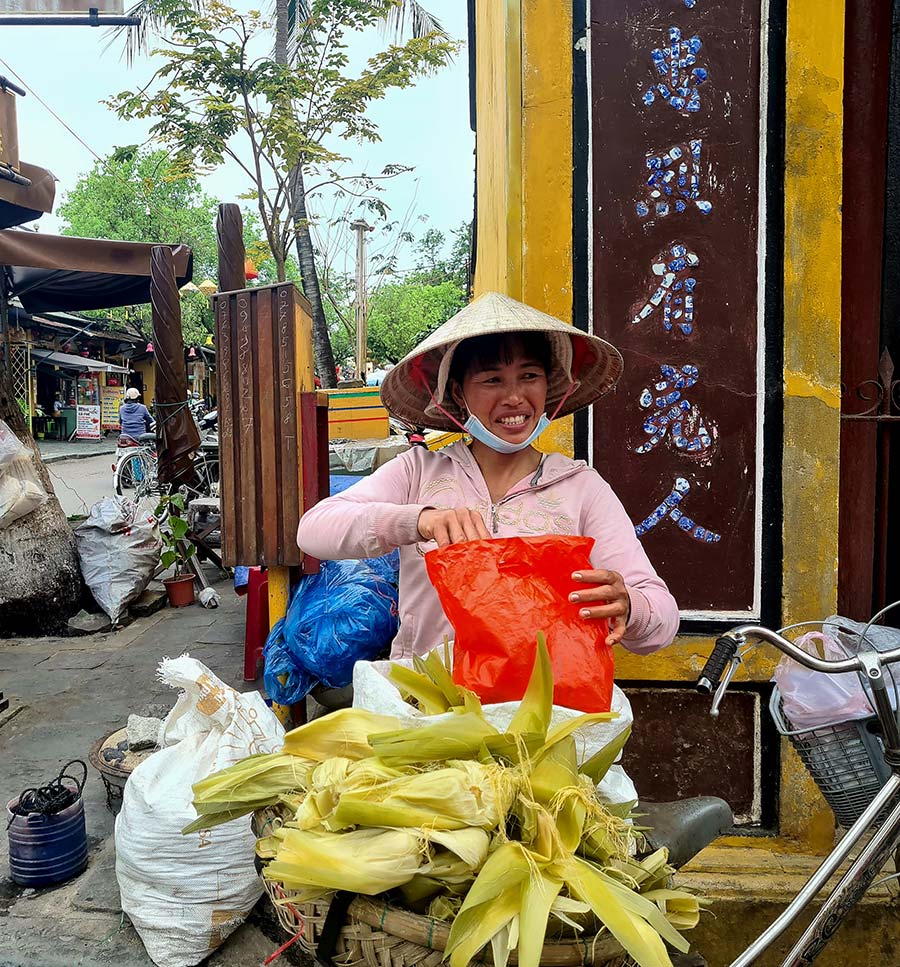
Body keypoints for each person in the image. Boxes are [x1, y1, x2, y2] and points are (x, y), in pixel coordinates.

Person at [297, 291, 679, 660]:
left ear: (549, 385)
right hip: (429, 710)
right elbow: (314, 530)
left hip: (541, 714)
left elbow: (663, 621)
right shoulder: (418, 471)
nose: (514, 397)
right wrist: (420, 520)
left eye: (529, 376)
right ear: (459, 395)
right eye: (492, 380)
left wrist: (629, 606)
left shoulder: (582, 489)